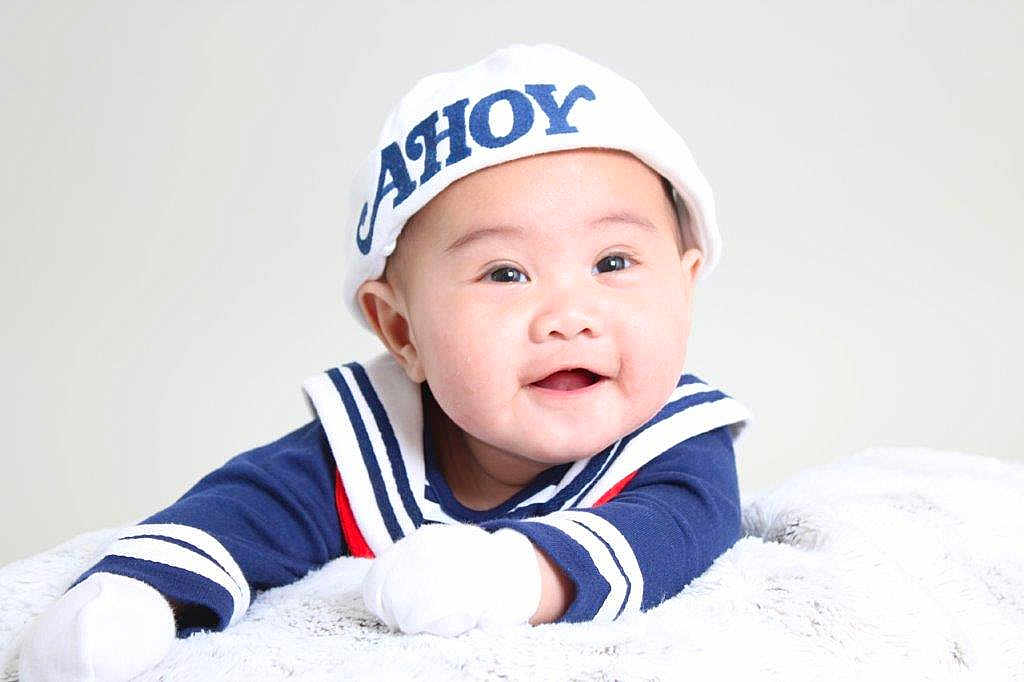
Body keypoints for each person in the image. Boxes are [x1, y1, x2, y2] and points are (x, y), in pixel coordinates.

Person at [18, 43, 752, 681]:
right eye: (505, 273)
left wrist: (518, 578)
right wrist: (138, 595)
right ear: (401, 332)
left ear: (686, 287)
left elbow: (677, 530)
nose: (567, 315)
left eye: (613, 262)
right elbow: (242, 511)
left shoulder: (676, 441)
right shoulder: (374, 447)